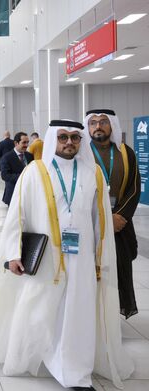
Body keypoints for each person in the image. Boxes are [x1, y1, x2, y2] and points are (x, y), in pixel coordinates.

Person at [0, 120, 134, 390]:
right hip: (46, 258)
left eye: (75, 138)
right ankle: (37, 355)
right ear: (53, 140)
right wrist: (13, 253)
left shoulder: (92, 173)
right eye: (63, 137)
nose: (69, 143)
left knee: (78, 312)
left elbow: (100, 219)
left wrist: (100, 258)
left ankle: (74, 369)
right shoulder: (34, 172)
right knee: (39, 309)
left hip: (83, 257)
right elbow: (18, 214)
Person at [84, 109, 141, 318]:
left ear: (112, 126)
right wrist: (104, 218)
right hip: (90, 223)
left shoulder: (126, 152)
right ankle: (92, 319)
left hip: (120, 224)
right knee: (90, 271)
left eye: (103, 122)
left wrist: (120, 217)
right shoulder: (82, 153)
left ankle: (113, 317)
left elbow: (134, 188)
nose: (98, 126)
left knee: (118, 270)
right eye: (93, 123)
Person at [0, 132, 33, 206]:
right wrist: (23, 177)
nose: (26, 145)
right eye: (24, 143)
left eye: (27, 142)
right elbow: (5, 175)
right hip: (14, 194)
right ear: (16, 143)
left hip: (28, 194)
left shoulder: (30, 156)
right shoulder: (6, 157)